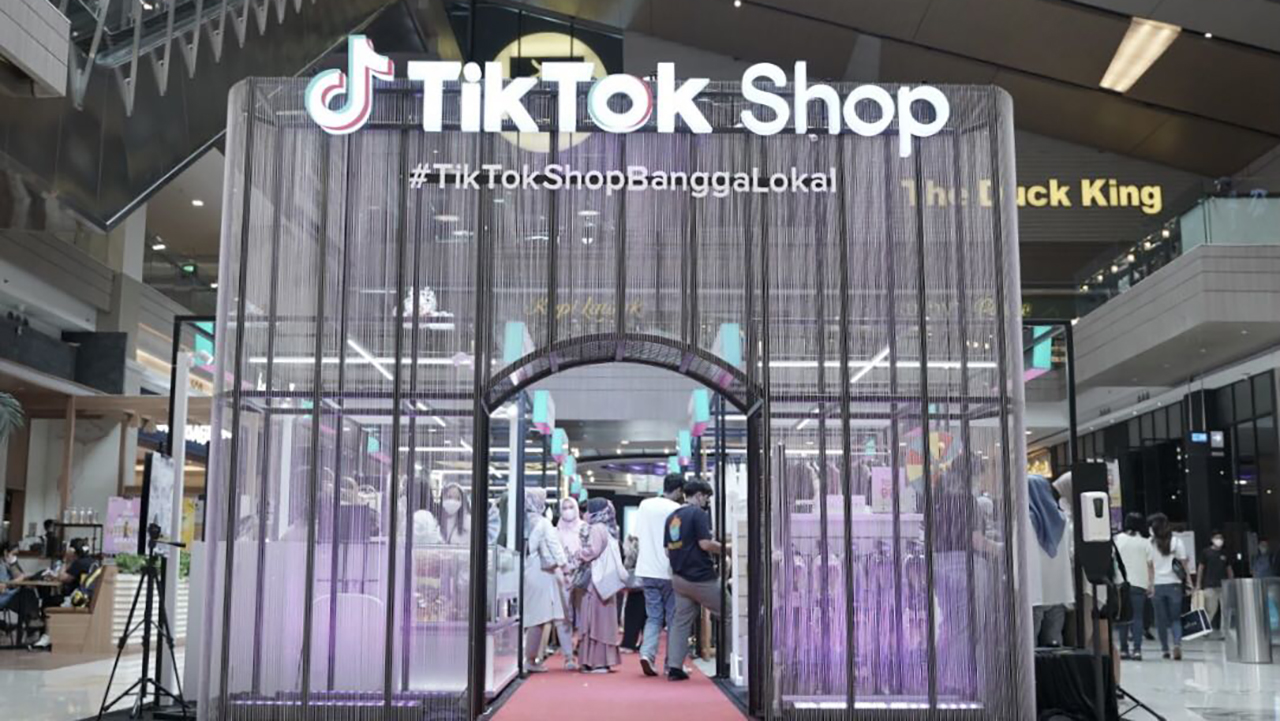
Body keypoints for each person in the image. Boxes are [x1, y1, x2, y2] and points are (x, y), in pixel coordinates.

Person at [665, 479, 724, 681]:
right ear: (699, 495)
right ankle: (728, 662)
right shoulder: (698, 514)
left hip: (679, 578)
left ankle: (674, 667)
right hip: (700, 577)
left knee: (681, 622)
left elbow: (667, 551)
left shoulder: (672, 517)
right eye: (706, 498)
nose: (706, 502)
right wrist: (727, 549)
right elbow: (705, 544)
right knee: (729, 613)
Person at [634, 473, 684, 676]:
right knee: (673, 618)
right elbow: (677, 541)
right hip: (669, 571)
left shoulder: (645, 505)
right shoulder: (677, 509)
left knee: (653, 616)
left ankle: (647, 654)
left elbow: (636, 536)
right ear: (679, 490)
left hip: (646, 570)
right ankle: (672, 663)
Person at [521, 488, 576, 672]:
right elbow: (555, 548)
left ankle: (529, 658)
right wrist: (565, 568)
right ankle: (531, 659)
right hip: (543, 574)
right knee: (546, 617)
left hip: (527, 571)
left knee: (532, 617)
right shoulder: (543, 523)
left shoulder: (520, 521)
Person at [576, 499, 625, 673]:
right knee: (605, 620)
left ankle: (596, 661)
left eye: (588, 510)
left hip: (595, 583)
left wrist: (578, 553)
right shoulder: (609, 529)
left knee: (594, 620)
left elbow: (593, 551)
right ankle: (602, 659)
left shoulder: (596, 528)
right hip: (605, 581)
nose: (585, 514)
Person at [1028, 474, 1071, 647]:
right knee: (1053, 643)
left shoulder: (1027, 520)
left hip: (1034, 591)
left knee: (1030, 646)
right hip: (1057, 591)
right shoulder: (1062, 519)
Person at [1147, 513, 1188, 660]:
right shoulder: (1177, 542)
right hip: (1175, 584)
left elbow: (1149, 567)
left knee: (1160, 621)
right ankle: (1177, 644)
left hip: (1157, 585)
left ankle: (1165, 649)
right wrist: (1189, 582)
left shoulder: (1150, 543)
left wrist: (1150, 585)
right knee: (1176, 619)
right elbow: (1184, 564)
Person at [1113, 512, 1153, 660]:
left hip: (1121, 583)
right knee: (1137, 618)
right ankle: (1137, 650)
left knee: (1123, 618)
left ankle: (1123, 650)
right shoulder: (1145, 542)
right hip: (1140, 584)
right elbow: (1150, 566)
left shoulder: (1117, 540)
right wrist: (1151, 584)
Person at [1196, 530, 1234, 636]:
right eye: (1217, 538)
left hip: (1224, 585)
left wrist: (1232, 582)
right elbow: (1201, 568)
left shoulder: (1225, 553)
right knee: (1211, 609)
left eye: (1221, 538)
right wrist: (1198, 584)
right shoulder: (1206, 552)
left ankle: (1224, 632)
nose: (1219, 540)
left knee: (1225, 609)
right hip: (1209, 585)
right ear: (1212, 539)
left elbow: (1229, 569)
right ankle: (1205, 628)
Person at [619, 535, 646, 653]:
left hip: (637, 582)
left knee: (632, 611)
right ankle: (647, 644)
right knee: (648, 615)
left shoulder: (635, 538)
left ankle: (629, 642)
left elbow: (630, 559)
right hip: (651, 577)